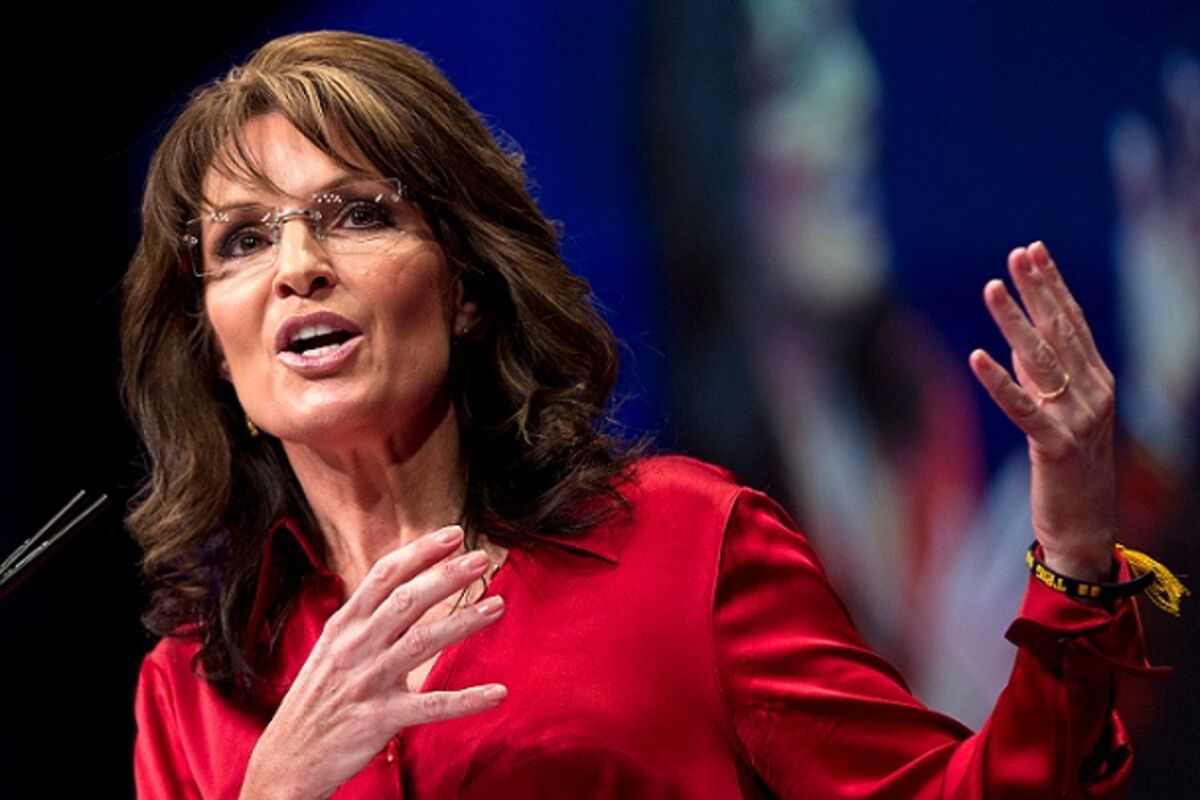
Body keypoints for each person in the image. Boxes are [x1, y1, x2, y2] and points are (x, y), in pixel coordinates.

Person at [127, 30, 1159, 799]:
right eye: (242, 240)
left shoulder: (683, 543)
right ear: (213, 339)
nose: (299, 265)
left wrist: (1074, 547)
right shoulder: (192, 687)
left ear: (465, 287)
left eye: (357, 213)